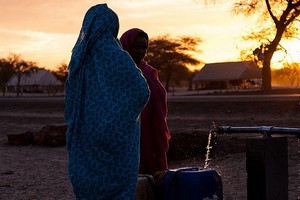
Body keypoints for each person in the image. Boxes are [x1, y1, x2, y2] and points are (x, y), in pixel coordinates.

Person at [64, 4, 150, 200]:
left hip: (85, 134)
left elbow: (71, 101)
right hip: (117, 138)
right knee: (117, 189)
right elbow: (141, 90)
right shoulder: (116, 55)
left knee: (86, 183)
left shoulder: (78, 59)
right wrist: (118, 120)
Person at [120, 28, 171, 175]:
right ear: (126, 46)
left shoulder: (149, 71)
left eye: (144, 48)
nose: (141, 51)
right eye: (136, 47)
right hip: (128, 129)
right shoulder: (118, 71)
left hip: (150, 128)